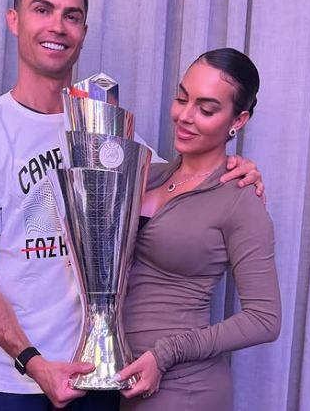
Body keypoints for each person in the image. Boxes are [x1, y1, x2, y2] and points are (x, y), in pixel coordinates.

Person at [0, 0, 265, 411]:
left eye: (71, 16)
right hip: (14, 380)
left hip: (102, 373)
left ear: (84, 32)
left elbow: (184, 186)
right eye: (42, 9)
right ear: (14, 20)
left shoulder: (111, 132)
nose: (57, 26)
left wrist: (236, 171)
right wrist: (33, 362)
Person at [117, 48, 281, 410]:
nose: (185, 116)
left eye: (206, 109)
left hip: (183, 388)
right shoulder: (149, 174)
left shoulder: (240, 198)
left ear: (238, 120)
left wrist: (166, 354)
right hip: (121, 380)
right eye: (181, 99)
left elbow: (265, 319)